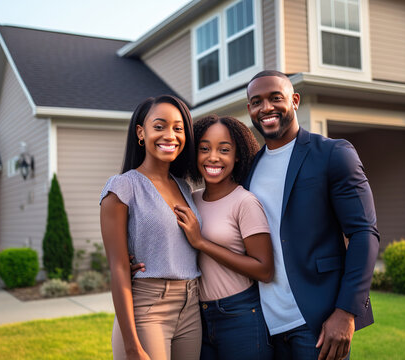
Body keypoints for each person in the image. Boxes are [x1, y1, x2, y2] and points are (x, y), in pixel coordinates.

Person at [243, 70, 380, 360]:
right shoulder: (248, 170)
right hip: (263, 324)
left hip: (317, 321)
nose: (266, 107)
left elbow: (364, 233)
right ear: (249, 110)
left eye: (275, 98)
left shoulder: (333, 154)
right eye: (257, 102)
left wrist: (346, 312)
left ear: (294, 101)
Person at [100, 95, 201, 360]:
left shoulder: (184, 187)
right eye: (159, 126)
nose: (170, 135)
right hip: (149, 306)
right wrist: (132, 346)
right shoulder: (123, 186)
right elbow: (119, 267)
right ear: (140, 133)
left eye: (178, 128)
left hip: (191, 306)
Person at [173, 114, 274, 360]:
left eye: (224, 149)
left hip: (240, 315)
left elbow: (264, 270)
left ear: (237, 155)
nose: (213, 157)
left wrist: (202, 243)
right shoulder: (190, 198)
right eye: (204, 149)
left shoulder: (245, 202)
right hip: (198, 316)